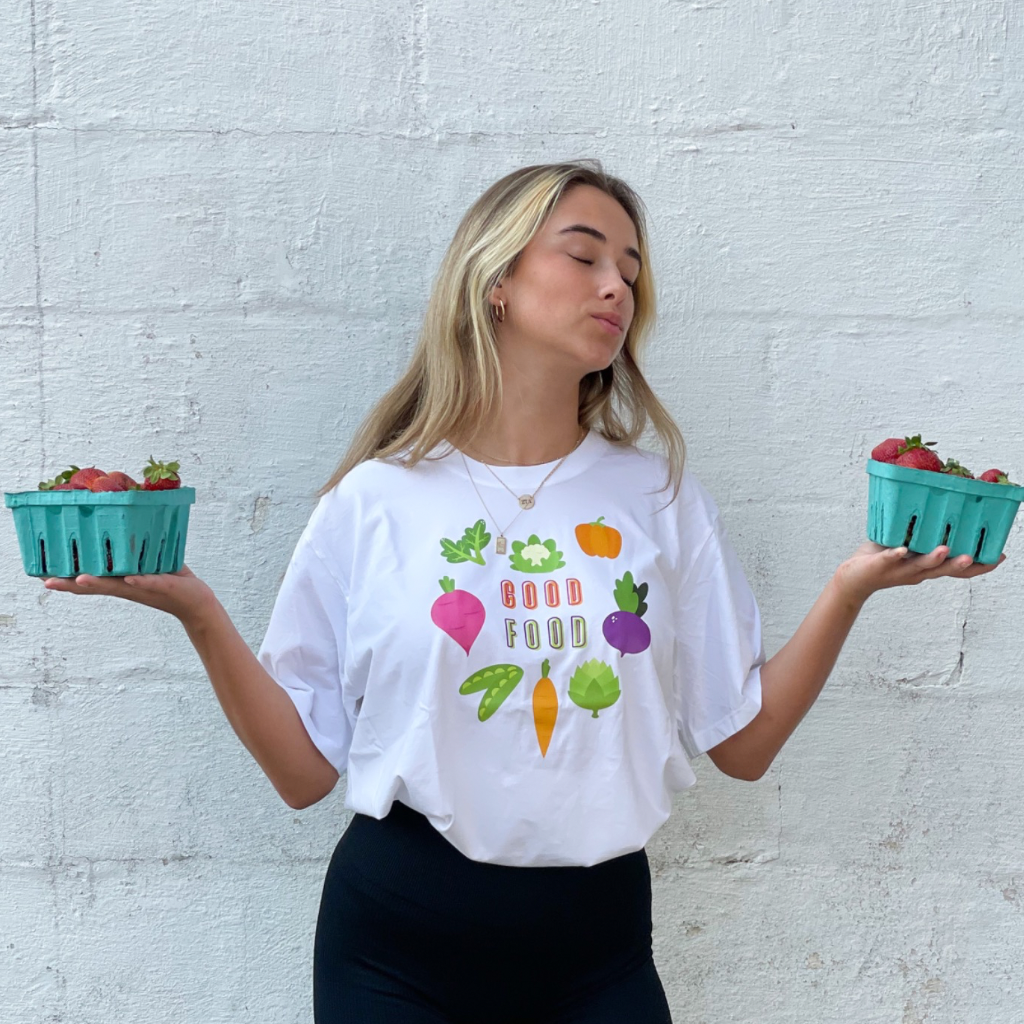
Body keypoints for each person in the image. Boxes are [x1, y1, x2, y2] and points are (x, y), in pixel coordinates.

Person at [41, 159, 1006, 1024]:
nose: (616, 284)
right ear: (495, 281)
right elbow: (303, 776)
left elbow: (743, 745)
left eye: (630, 268)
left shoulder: (659, 495)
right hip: (396, 948)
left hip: (598, 951)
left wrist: (851, 589)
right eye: (584, 255)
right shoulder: (375, 499)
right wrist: (200, 612)